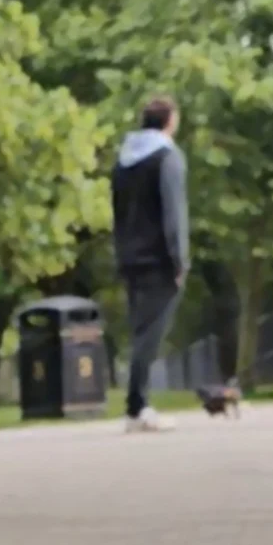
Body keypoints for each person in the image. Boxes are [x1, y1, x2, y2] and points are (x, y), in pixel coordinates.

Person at [111, 94, 189, 433]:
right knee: (150, 334)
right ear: (169, 120)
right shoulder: (167, 157)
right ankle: (137, 406)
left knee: (141, 331)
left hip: (130, 256)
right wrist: (179, 260)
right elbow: (175, 214)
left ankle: (137, 405)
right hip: (159, 258)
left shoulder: (123, 161)